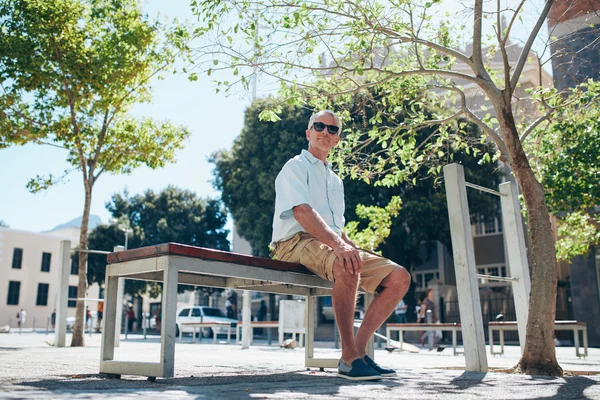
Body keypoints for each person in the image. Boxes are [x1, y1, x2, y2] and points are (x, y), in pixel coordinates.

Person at [271, 110, 411, 381]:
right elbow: (302, 212)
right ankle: (349, 358)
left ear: (337, 140)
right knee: (345, 263)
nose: (325, 131)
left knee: (398, 277)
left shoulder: (335, 180)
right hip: (292, 242)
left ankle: (356, 352)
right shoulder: (295, 166)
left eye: (332, 130)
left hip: (328, 242)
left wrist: (349, 246)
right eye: (319, 126)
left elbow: (336, 228)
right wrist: (340, 246)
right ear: (308, 133)